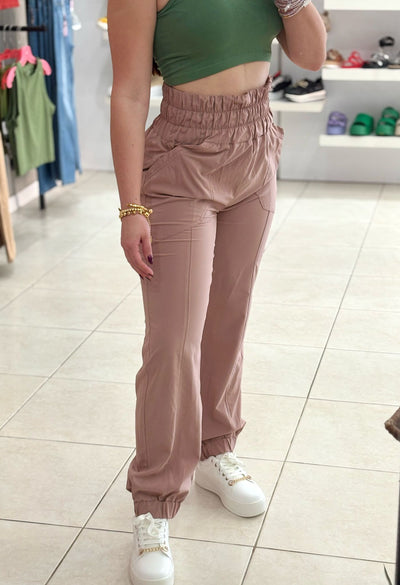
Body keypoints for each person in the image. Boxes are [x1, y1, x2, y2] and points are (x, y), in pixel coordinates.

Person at [107, 1, 326, 584]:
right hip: (182, 159)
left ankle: (214, 448)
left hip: (255, 146)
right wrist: (131, 208)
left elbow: (310, 56)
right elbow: (128, 93)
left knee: (229, 318)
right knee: (174, 339)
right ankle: (154, 502)